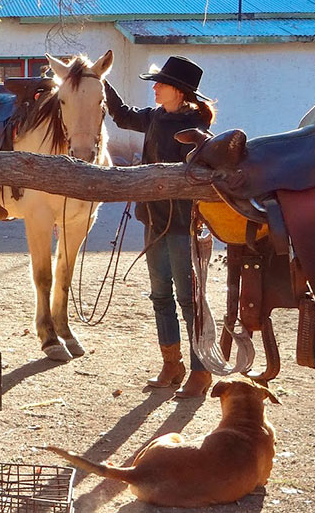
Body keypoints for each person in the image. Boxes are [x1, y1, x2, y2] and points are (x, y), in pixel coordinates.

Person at [105, 56, 216, 399]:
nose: (154, 87)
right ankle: (172, 364)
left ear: (179, 92)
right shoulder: (154, 117)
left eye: (161, 84)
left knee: (188, 298)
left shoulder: (198, 128)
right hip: (153, 219)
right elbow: (121, 115)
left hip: (183, 223)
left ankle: (201, 370)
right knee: (160, 295)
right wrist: (99, 80)